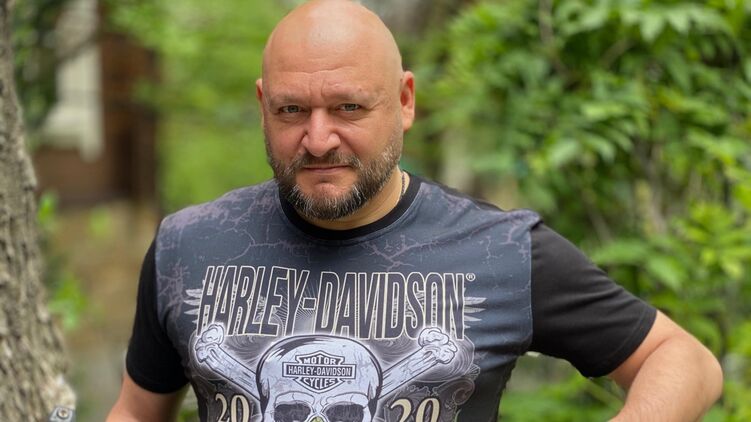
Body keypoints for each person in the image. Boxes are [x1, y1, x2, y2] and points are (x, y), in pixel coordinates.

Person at [108, 1, 723, 421]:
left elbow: (684, 361)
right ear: (263, 106)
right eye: (292, 111)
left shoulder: (501, 251)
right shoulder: (188, 246)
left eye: (348, 108)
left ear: (404, 102)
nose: (318, 140)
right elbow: (136, 410)